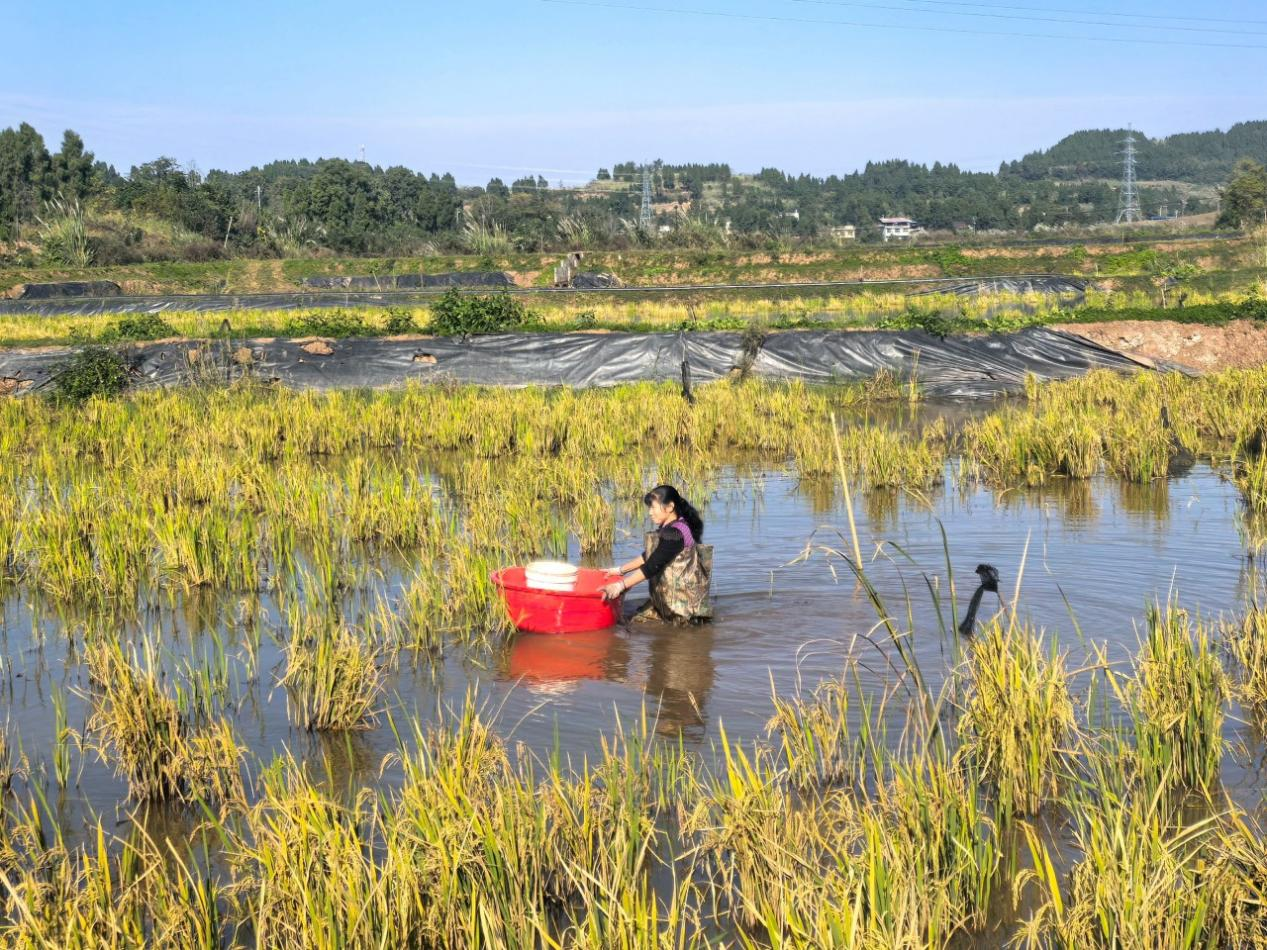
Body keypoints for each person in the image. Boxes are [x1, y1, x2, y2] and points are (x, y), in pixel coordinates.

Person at [601, 485, 712, 624]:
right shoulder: (670, 528)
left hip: (683, 607)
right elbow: (649, 556)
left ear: (670, 507)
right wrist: (619, 570)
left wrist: (621, 586)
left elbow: (652, 565)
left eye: (653, 507)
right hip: (667, 597)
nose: (650, 512)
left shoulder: (675, 533)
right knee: (630, 620)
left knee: (628, 625)